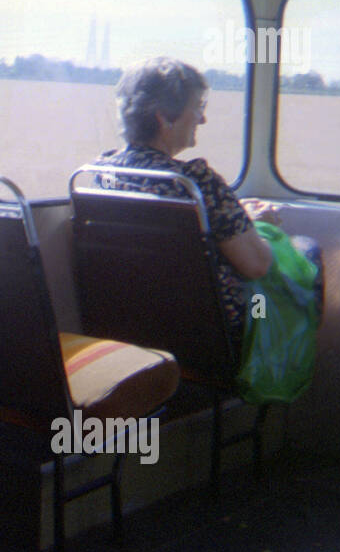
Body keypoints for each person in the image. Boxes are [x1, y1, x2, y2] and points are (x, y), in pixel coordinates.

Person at [94, 57, 322, 346]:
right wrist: (256, 224)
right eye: (198, 108)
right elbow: (256, 265)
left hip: (132, 320)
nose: (203, 119)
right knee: (305, 252)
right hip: (211, 329)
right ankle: (272, 357)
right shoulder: (195, 183)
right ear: (164, 117)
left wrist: (239, 219)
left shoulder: (103, 174)